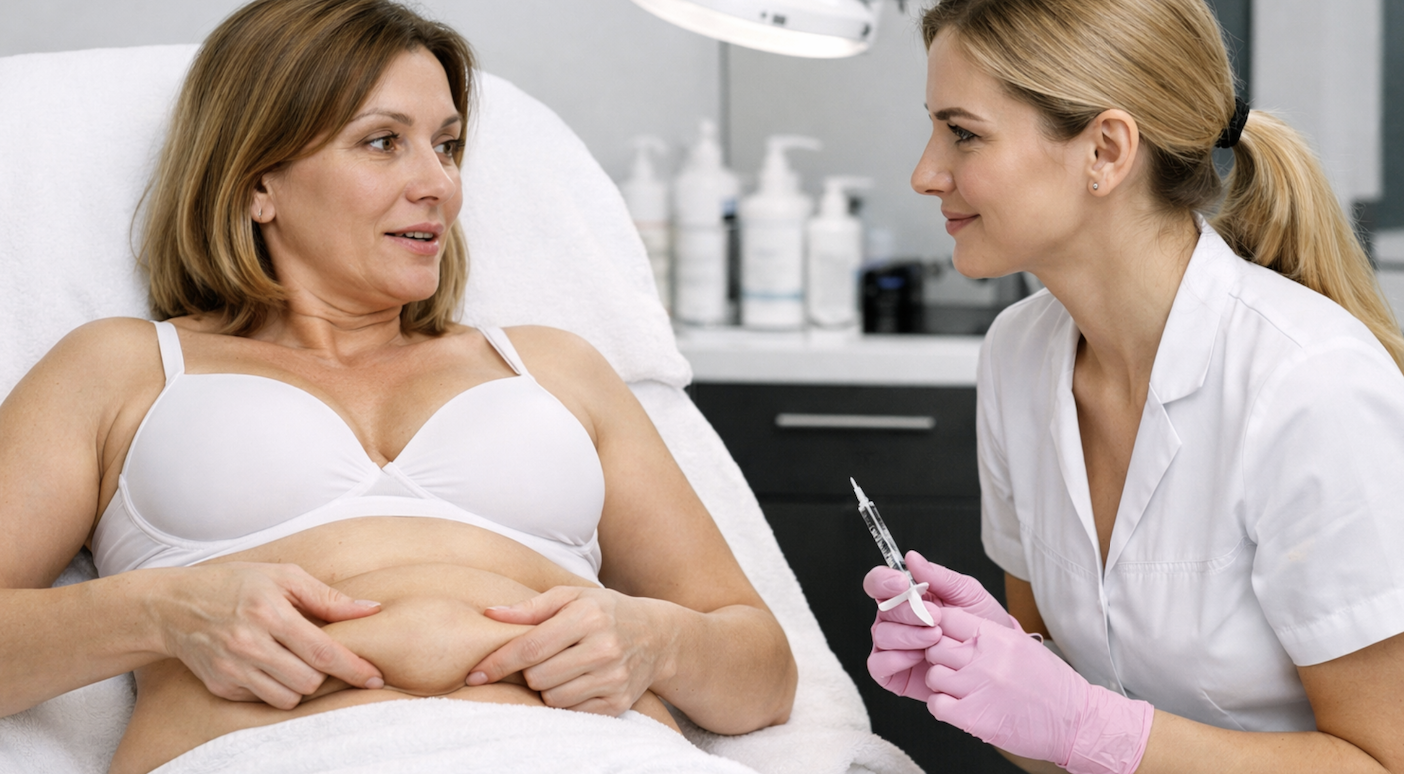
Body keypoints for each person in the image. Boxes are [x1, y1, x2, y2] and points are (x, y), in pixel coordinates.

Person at [0, 1, 797, 772]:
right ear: (256, 184)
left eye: (446, 146)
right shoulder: (121, 368)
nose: (439, 184)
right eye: (383, 142)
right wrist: (161, 613)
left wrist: (657, 641)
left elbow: (764, 675)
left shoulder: (555, 369)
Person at [863, 1, 1404, 772]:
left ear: (1106, 151)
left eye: (964, 134)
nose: (926, 173)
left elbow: (1384, 762)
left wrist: (1091, 724)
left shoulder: (1310, 386)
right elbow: (1059, 751)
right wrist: (988, 681)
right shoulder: (1018, 357)